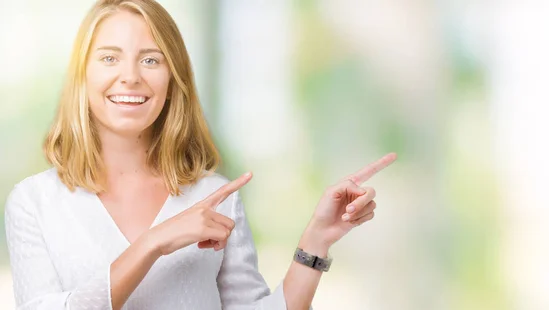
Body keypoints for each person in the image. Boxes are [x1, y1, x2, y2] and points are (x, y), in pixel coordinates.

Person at [4, 0, 397, 309]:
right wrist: (154, 242)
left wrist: (317, 240)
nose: (130, 76)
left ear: (173, 81)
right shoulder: (34, 203)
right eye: (109, 58)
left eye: (151, 59)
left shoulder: (216, 197)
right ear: (81, 77)